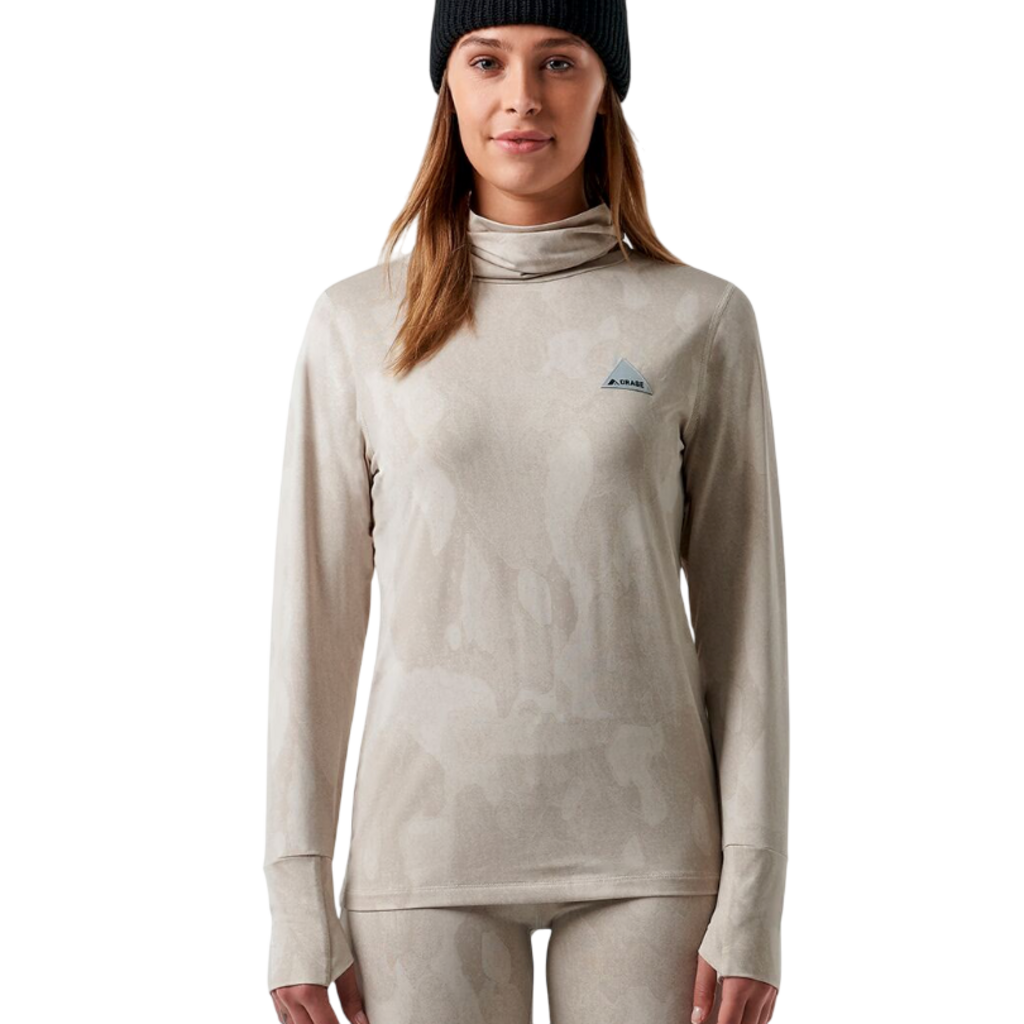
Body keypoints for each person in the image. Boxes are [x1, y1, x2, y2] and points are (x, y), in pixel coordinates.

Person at [263, 3, 789, 1023]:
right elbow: (312, 629)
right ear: (446, 86)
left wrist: (756, 898)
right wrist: (296, 895)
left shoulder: (700, 318)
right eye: (485, 60)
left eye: (559, 61)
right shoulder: (355, 324)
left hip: (651, 852)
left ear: (607, 89)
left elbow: (748, 631)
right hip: (423, 853)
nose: (521, 97)